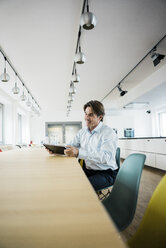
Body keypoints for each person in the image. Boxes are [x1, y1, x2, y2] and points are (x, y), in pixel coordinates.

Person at [64, 100, 118, 192]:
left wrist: (79, 152)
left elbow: (106, 157)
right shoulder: (83, 132)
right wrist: (57, 149)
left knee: (81, 189)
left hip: (105, 173)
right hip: (88, 170)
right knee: (68, 182)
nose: (86, 118)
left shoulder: (108, 133)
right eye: (85, 114)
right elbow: (70, 146)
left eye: (91, 115)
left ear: (100, 117)